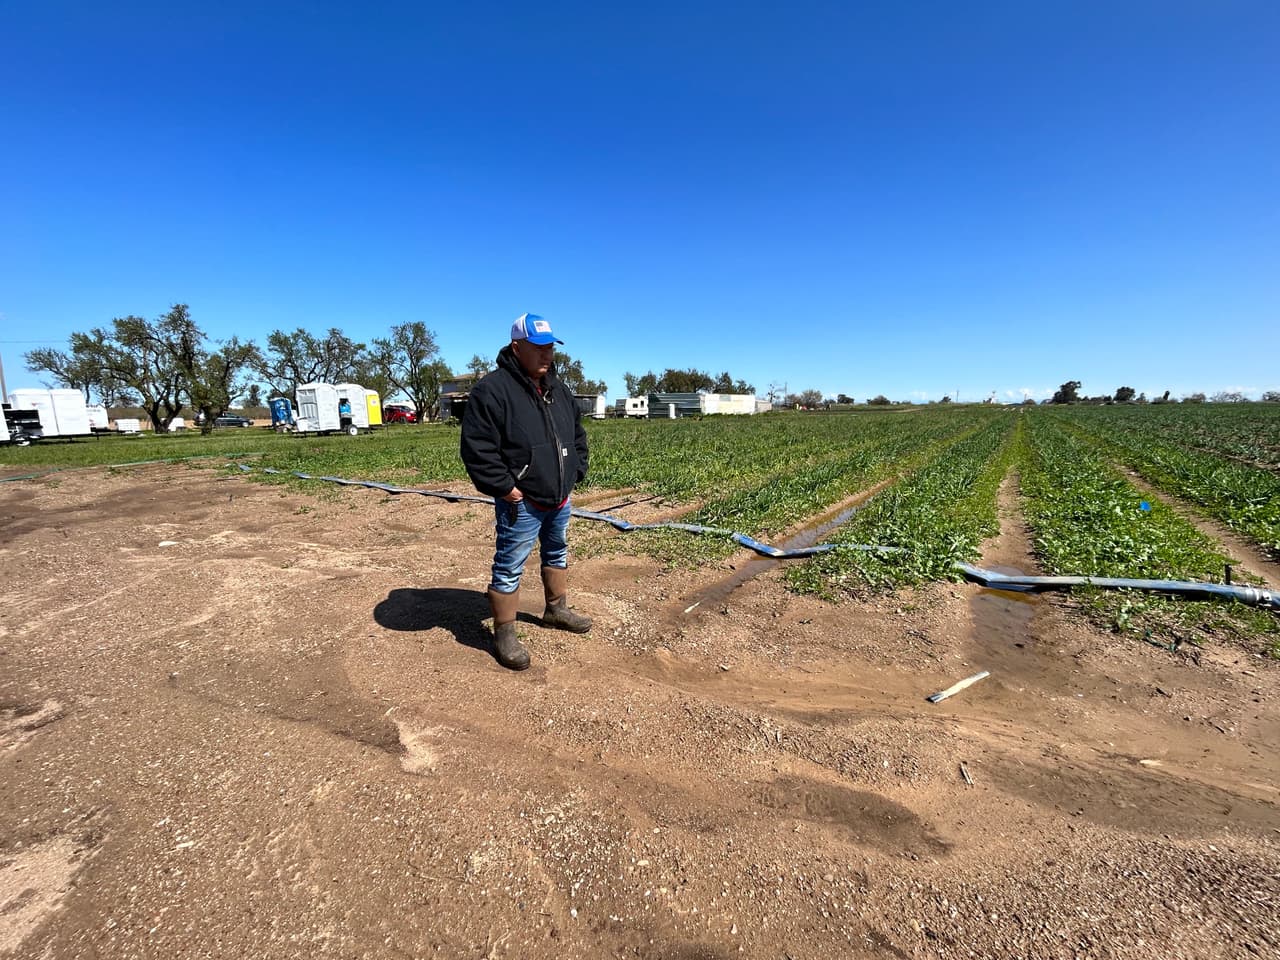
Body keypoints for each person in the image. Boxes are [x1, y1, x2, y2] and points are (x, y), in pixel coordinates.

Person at [460, 313, 592, 670]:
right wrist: (505, 488)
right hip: (523, 502)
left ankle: (556, 610)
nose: (547, 354)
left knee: (557, 552)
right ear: (517, 347)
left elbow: (577, 435)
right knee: (509, 566)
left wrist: (575, 471)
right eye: (539, 348)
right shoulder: (493, 391)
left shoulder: (559, 389)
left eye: (550, 347)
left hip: (559, 497)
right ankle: (504, 632)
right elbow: (477, 448)